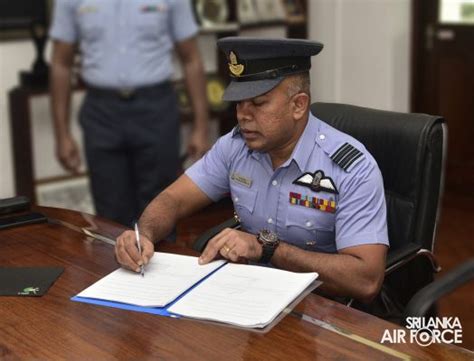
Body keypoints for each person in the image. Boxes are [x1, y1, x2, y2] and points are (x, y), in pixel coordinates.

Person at [115, 37, 389, 303]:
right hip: (249, 295)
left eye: (258, 103)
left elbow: (365, 280)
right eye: (239, 102)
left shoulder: (351, 168)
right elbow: (173, 200)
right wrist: (144, 234)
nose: (243, 115)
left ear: (298, 105)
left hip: (322, 308)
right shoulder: (235, 147)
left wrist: (267, 249)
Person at [49, 0, 209, 227]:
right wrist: (61, 134)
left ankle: (162, 263)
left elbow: (191, 59)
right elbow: (60, 64)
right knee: (110, 214)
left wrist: (201, 127)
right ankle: (113, 263)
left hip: (156, 109)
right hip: (101, 112)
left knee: (160, 207)